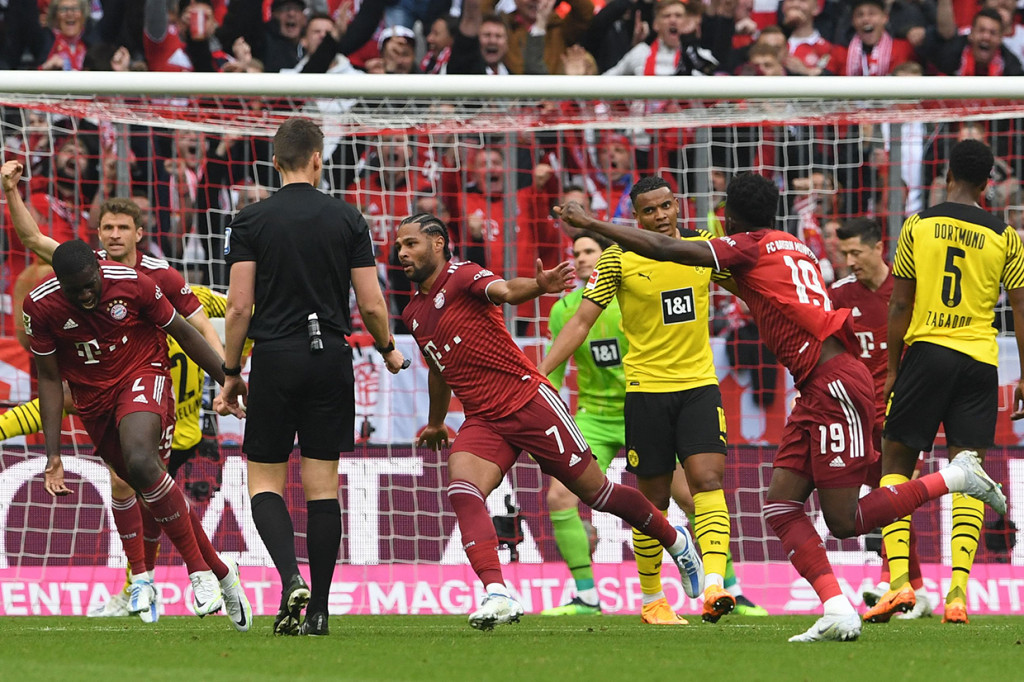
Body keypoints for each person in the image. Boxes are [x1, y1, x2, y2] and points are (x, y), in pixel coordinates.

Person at [554, 171, 1008, 643]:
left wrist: (593, 223)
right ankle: (836, 608)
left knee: (844, 521)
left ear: (729, 217)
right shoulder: (789, 243)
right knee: (780, 506)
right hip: (814, 387)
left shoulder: (742, 248)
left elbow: (673, 251)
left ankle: (956, 477)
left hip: (833, 382)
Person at [395, 212, 704, 631]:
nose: (402, 252)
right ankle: (497, 592)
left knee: (599, 494)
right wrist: (435, 423)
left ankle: (676, 540)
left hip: (528, 401)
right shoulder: (413, 312)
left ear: (437, 243)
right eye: (399, 246)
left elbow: (504, 290)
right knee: (463, 490)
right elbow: (438, 369)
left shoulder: (464, 274)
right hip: (484, 419)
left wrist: (538, 286)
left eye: (410, 243)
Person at [0, 160, 249, 628]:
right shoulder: (60, 283)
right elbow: (50, 379)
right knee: (146, 484)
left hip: (150, 380)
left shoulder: (156, 278)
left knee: (136, 467)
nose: (114, 235)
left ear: (139, 232)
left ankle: (161, 577)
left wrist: (228, 376)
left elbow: (196, 326)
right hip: (99, 398)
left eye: (122, 227)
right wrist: (10, 191)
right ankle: (217, 571)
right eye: (107, 228)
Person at [219, 117, 406, 637]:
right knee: (323, 487)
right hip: (330, 358)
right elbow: (371, 303)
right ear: (319, 159)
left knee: (264, 480)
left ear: (274, 161)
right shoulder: (348, 218)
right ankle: (320, 610)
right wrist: (389, 350)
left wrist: (232, 372)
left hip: (276, 357)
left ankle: (289, 578)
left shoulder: (250, 220)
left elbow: (237, 307)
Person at [539, 176, 742, 625]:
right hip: (646, 392)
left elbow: (749, 284)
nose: (661, 216)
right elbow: (580, 322)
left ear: (677, 204)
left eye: (667, 206)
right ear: (636, 216)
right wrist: (541, 369)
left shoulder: (704, 247)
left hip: (698, 386)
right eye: (650, 211)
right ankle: (653, 599)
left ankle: (713, 585)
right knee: (652, 501)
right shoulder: (617, 258)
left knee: (708, 480)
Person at [872, 138, 1024, 625]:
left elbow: (899, 303)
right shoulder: (1007, 235)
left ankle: (898, 585)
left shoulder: (919, 225)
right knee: (969, 472)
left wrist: (894, 368)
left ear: (945, 175)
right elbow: (1021, 309)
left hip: (928, 352)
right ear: (987, 185)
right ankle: (958, 593)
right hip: (980, 361)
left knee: (895, 461)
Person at [830, 217, 931, 621]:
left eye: (856, 252)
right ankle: (913, 588)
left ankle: (898, 583)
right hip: (855, 414)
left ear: (878, 248)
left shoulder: (907, 291)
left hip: (903, 410)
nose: (850, 261)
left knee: (895, 497)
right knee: (891, 502)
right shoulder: (838, 296)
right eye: (844, 254)